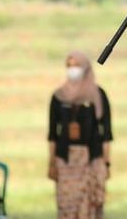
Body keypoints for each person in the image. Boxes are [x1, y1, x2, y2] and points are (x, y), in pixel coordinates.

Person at [48, 51, 113, 219]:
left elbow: (105, 132)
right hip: (66, 158)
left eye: (76, 65)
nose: (72, 69)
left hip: (92, 157)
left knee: (91, 205)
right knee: (67, 205)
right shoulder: (59, 96)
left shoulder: (97, 95)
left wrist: (106, 163)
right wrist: (52, 162)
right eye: (69, 66)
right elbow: (53, 133)